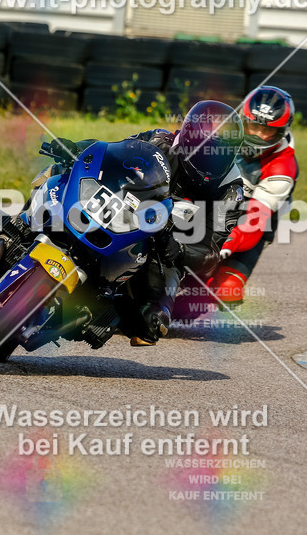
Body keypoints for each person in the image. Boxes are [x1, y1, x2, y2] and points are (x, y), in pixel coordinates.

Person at [126, 100, 245, 344]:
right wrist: (80, 150)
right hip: (124, 215)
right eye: (204, 154)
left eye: (218, 157)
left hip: (164, 246)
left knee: (150, 325)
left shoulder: (231, 190)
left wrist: (179, 250)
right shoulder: (158, 142)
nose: (209, 165)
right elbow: (110, 156)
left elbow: (211, 253)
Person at [208, 86, 297, 308]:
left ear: (281, 131)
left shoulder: (283, 166)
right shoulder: (223, 137)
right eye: (253, 125)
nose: (257, 134)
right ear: (243, 120)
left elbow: (255, 219)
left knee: (228, 290)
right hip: (209, 208)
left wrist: (225, 243)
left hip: (251, 228)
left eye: (266, 130)